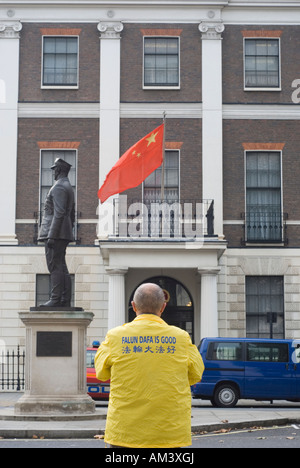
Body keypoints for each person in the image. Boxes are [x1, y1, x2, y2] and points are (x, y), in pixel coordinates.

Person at [94, 283, 205, 449]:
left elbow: (101, 373)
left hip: (125, 432)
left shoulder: (115, 336)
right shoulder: (181, 338)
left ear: (133, 306)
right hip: (168, 432)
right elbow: (196, 374)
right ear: (163, 307)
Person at [38, 158, 75, 307]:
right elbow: (70, 215)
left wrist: (52, 234)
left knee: (55, 266)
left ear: (58, 170)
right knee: (62, 266)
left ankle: (55, 299)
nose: (53, 172)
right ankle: (64, 300)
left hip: (55, 233)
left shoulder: (59, 187)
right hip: (62, 232)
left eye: (54, 169)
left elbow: (59, 213)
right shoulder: (67, 186)